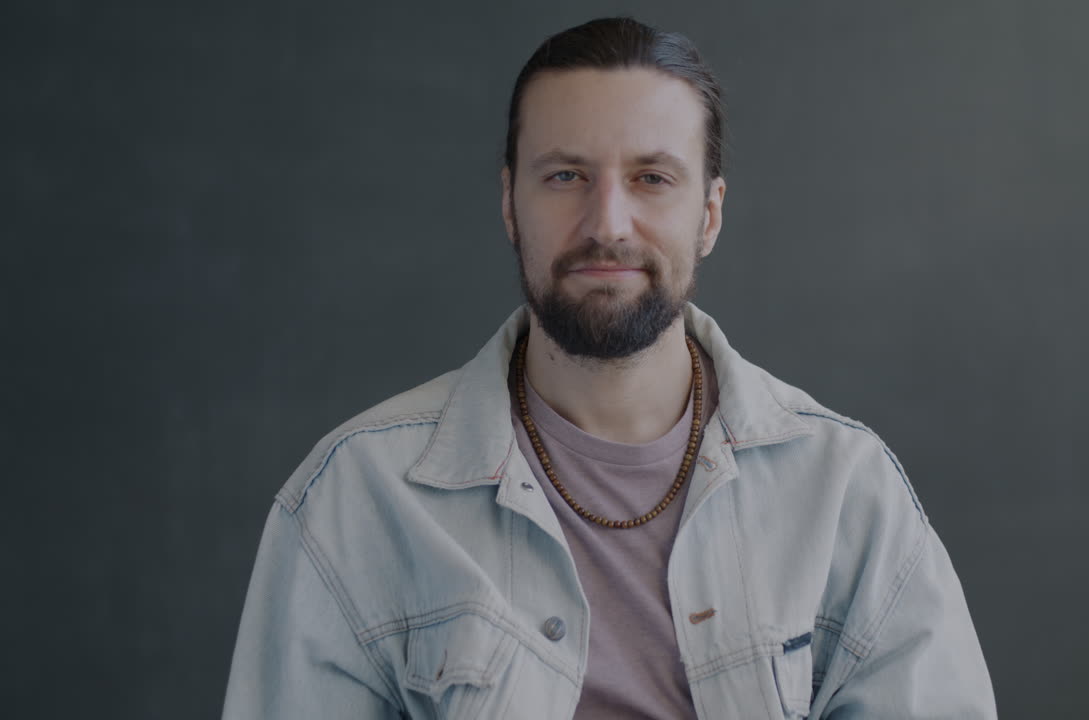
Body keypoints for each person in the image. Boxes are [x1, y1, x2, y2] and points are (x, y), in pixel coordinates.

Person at [222, 16, 997, 719]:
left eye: (651, 179)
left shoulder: (845, 493)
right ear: (508, 204)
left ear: (710, 215)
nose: (607, 223)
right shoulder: (355, 501)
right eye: (566, 176)